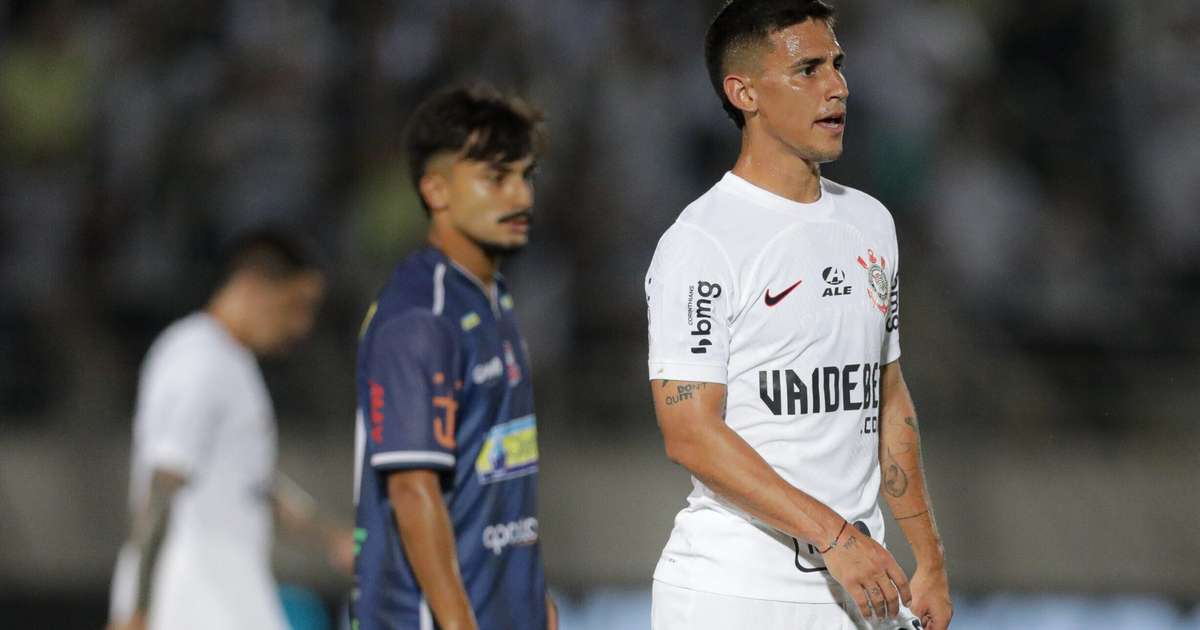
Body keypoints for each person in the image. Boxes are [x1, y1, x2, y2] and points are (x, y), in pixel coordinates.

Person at [644, 1, 953, 629]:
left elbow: (887, 398)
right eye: (807, 69)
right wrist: (835, 538)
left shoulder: (871, 223)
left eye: (837, 65)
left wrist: (929, 558)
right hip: (735, 597)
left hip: (863, 592)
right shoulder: (701, 242)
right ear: (744, 92)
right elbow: (690, 432)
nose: (837, 86)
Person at [351, 84, 557, 630]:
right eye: (496, 177)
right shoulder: (421, 317)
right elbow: (413, 488)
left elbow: (501, 478)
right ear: (436, 190)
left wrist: (537, 600)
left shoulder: (492, 298)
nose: (522, 198)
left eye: (525, 176)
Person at [108, 230, 354, 630]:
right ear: (253, 286)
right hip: (192, 590)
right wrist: (136, 609)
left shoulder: (230, 362)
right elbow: (162, 483)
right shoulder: (198, 358)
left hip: (224, 587)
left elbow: (255, 485)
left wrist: (332, 537)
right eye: (296, 306)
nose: (302, 326)